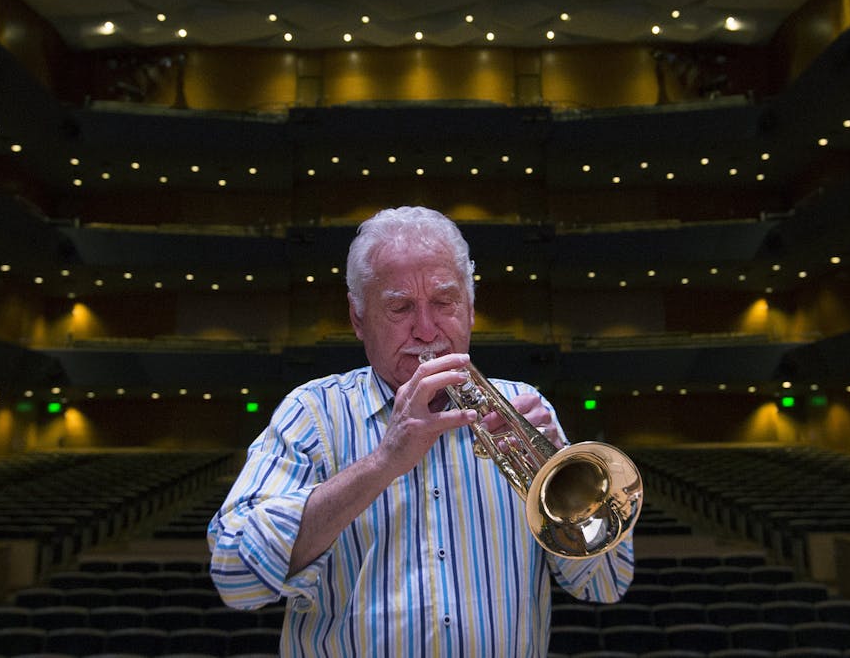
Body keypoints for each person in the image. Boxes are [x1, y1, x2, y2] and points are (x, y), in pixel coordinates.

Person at [208, 206, 634, 656]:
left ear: (469, 310)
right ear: (357, 319)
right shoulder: (311, 412)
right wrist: (382, 462)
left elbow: (607, 585)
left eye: (445, 302)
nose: (427, 329)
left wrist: (559, 467)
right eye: (400, 307)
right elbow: (236, 578)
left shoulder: (526, 408)